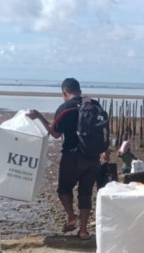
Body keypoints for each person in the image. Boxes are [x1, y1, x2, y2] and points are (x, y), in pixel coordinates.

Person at [27, 78, 107, 240]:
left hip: (72, 155)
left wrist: (39, 117)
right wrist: (105, 151)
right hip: (93, 157)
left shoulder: (65, 108)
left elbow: (55, 133)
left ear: (64, 92)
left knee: (64, 189)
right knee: (85, 193)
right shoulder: (96, 105)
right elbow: (102, 130)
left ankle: (71, 217)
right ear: (80, 91)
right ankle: (83, 231)